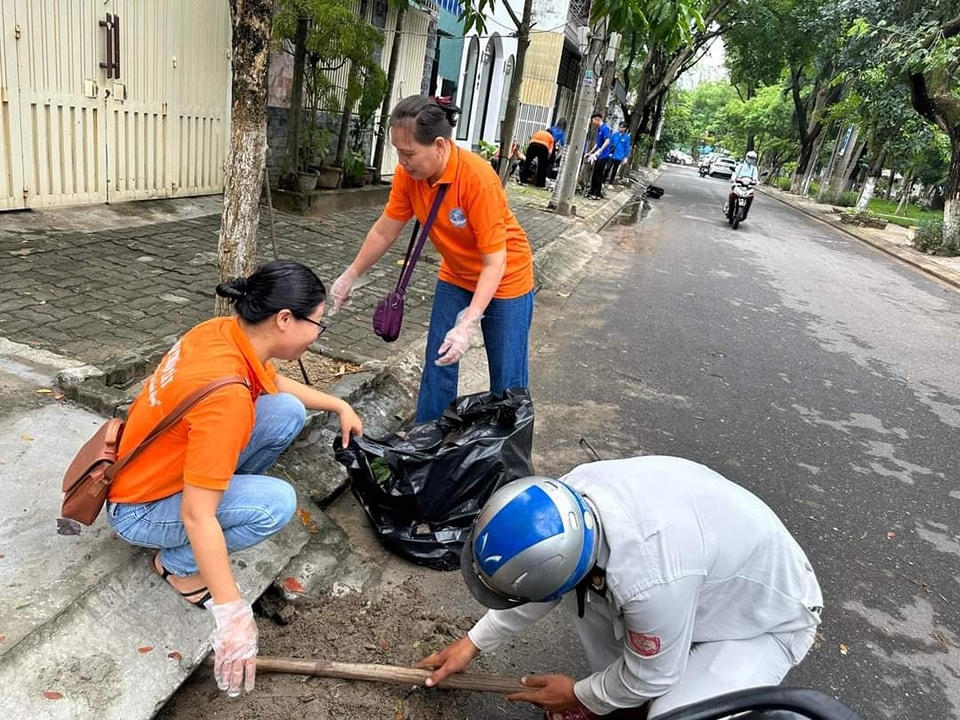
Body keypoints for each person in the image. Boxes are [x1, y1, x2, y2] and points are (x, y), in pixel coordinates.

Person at [106, 260, 364, 698]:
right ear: (284, 320)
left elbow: (275, 384)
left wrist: (338, 405)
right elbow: (196, 515)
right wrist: (233, 614)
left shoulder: (224, 333)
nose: (318, 335)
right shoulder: (227, 400)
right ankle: (178, 568)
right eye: (318, 324)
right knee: (275, 503)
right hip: (141, 508)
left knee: (287, 411)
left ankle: (225, 499)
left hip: (152, 466)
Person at [416, 456, 823, 719]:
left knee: (675, 715)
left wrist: (577, 694)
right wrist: (473, 642)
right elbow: (543, 585)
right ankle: (617, 696)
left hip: (762, 620)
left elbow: (652, 676)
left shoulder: (648, 579)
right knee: (593, 608)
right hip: (695, 587)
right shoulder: (568, 504)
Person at [329, 95, 535, 423]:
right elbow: (385, 231)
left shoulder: (477, 179)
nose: (402, 161)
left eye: (409, 153)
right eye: (398, 151)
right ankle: (426, 445)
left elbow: (495, 262)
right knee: (438, 362)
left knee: (507, 380)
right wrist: (350, 275)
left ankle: (507, 458)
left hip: (506, 279)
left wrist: (469, 322)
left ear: (439, 145)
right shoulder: (407, 176)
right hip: (455, 274)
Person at [585, 114, 612, 199]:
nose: (593, 123)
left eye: (593, 121)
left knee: (599, 175)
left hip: (604, 155)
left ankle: (597, 194)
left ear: (597, 120)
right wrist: (590, 153)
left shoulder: (605, 128)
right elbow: (597, 144)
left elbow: (607, 141)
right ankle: (591, 191)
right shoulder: (599, 129)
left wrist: (600, 150)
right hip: (598, 155)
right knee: (595, 174)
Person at [728, 150, 760, 219]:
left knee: (751, 197)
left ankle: (745, 213)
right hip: (738, 185)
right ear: (746, 157)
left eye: (753, 158)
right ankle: (729, 211)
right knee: (732, 194)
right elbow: (735, 173)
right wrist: (733, 179)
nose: (751, 160)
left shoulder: (754, 169)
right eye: (750, 157)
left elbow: (755, 178)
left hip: (748, 187)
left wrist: (756, 182)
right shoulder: (740, 166)